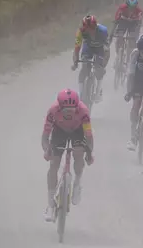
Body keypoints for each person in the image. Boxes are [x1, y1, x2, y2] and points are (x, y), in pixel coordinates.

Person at [41, 89, 95, 222]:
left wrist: (89, 153)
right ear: (60, 107)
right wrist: (47, 150)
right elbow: (45, 136)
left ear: (77, 107)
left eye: (72, 110)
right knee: (54, 164)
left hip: (78, 131)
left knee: (78, 153)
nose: (70, 113)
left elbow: (88, 136)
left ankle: (77, 182)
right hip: (59, 131)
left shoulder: (83, 111)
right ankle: (50, 205)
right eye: (66, 111)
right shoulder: (52, 111)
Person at [72, 14, 110, 103]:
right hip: (88, 48)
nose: (90, 31)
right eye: (88, 29)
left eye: (92, 28)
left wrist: (103, 65)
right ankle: (81, 94)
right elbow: (77, 48)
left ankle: (98, 91)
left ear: (96, 26)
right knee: (84, 67)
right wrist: (75, 62)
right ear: (84, 28)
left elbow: (107, 51)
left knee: (98, 69)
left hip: (100, 49)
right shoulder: (80, 32)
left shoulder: (103, 31)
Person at [110, 0, 143, 65]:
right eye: (129, 6)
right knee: (120, 36)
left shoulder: (139, 11)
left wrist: (135, 37)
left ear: (136, 6)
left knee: (132, 40)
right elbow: (116, 20)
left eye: (133, 7)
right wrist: (112, 33)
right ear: (126, 5)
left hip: (133, 23)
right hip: (123, 22)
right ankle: (118, 54)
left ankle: (130, 56)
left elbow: (139, 24)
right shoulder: (122, 8)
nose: (131, 8)